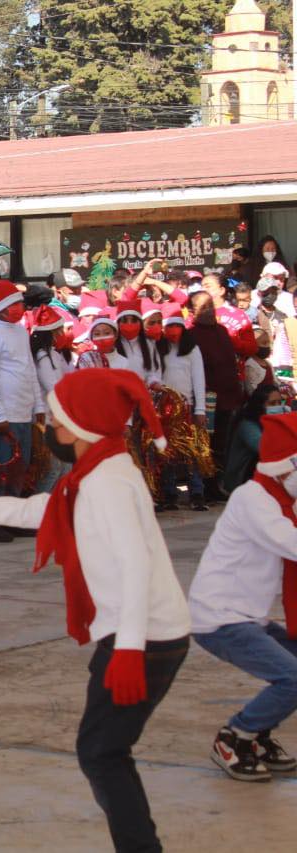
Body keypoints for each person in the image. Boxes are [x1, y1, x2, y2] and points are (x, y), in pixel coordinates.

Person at [0, 369, 191, 853]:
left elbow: (136, 565)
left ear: (81, 426)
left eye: (55, 421)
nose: (50, 430)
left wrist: (130, 649)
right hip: (139, 634)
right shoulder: (98, 471)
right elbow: (48, 509)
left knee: (101, 752)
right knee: (103, 750)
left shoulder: (108, 482)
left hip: (143, 637)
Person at [188, 411, 297, 783]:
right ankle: (234, 737)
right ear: (285, 467)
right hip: (220, 619)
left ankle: (257, 735)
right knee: (292, 677)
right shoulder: (253, 499)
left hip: (250, 618)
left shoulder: (283, 499)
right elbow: (291, 543)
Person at [0, 279, 40, 509]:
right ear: (0, 308)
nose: (18, 309)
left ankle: (12, 515)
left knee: (18, 469)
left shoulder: (21, 332)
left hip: (23, 412)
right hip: (2, 417)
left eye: (19, 304)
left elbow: (29, 369)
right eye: (13, 304)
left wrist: (38, 407)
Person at [188, 290, 245, 501]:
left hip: (228, 396)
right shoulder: (191, 335)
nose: (209, 311)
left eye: (211, 305)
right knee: (206, 444)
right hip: (207, 399)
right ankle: (204, 486)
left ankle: (216, 484)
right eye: (203, 307)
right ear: (193, 311)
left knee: (221, 443)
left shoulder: (222, 330)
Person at [158, 305, 209, 511]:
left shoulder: (192, 349)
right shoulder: (159, 348)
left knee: (191, 452)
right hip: (164, 407)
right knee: (167, 452)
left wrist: (200, 410)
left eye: (177, 326)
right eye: (169, 326)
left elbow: (199, 379)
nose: (173, 331)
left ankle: (197, 492)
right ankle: (170, 493)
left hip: (187, 407)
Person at [223, 384, 282, 493]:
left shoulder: (273, 422)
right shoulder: (248, 425)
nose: (277, 407)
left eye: (279, 402)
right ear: (260, 405)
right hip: (240, 479)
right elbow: (265, 449)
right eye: (272, 403)